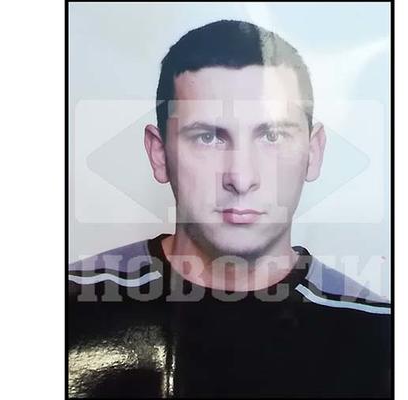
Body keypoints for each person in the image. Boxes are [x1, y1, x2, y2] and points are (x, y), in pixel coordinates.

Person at [68, 19, 391, 398]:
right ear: (159, 154)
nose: (241, 177)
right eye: (208, 137)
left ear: (313, 152)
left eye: (272, 135)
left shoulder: (383, 335)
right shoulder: (68, 307)